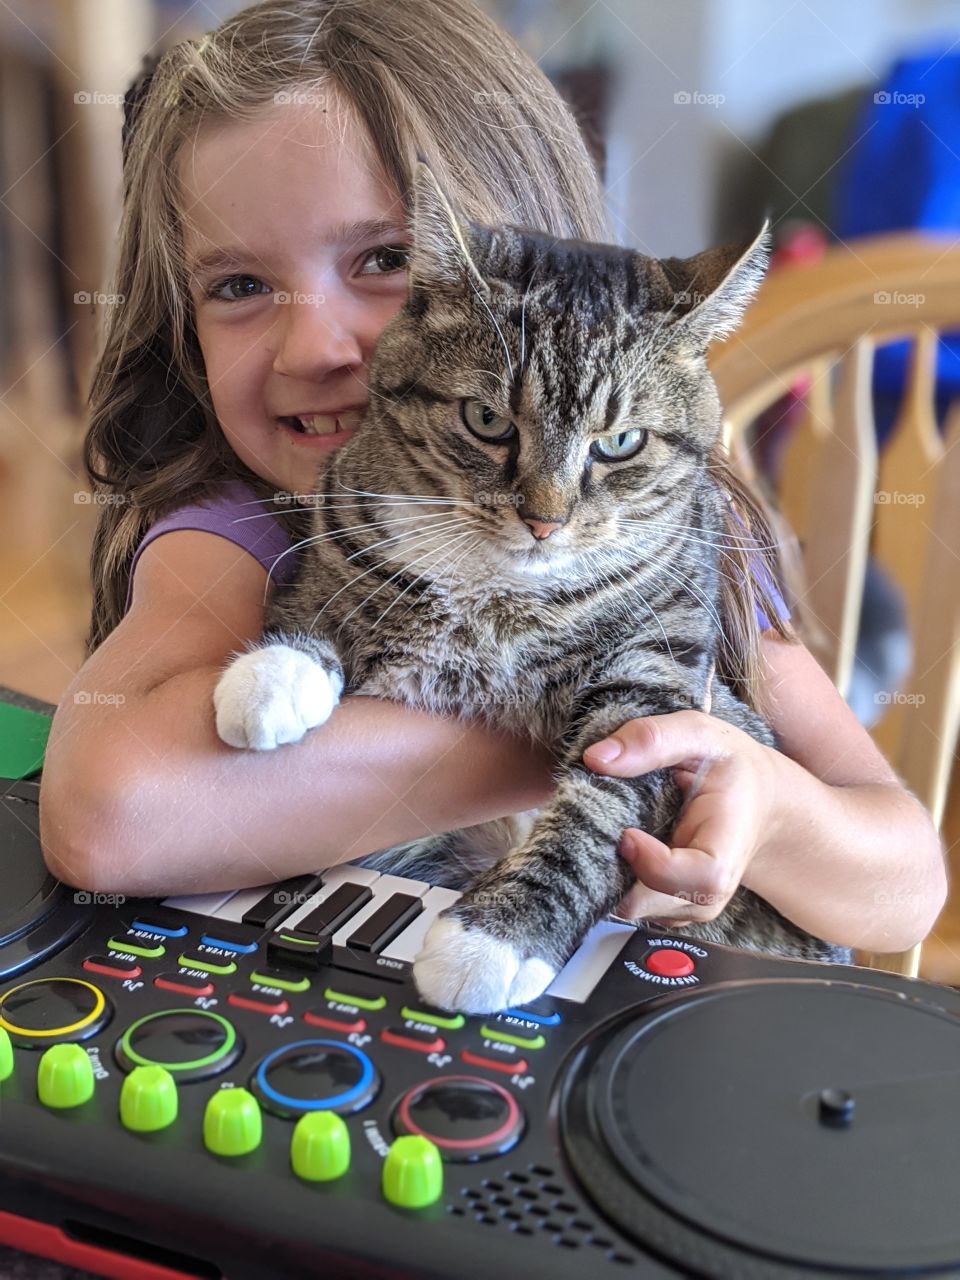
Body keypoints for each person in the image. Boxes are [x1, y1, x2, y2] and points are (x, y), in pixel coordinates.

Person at [39, 0, 945, 959]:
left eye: (389, 261)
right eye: (238, 286)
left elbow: (902, 891)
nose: (313, 344)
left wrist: (764, 801)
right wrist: (588, 735)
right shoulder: (241, 526)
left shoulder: (652, 532)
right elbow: (105, 817)